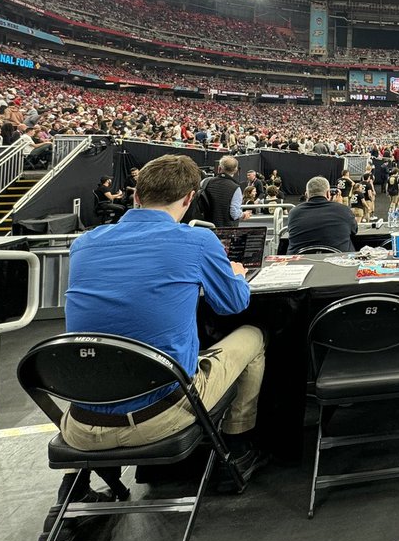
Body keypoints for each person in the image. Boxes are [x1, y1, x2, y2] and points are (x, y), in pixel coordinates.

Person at [60, 154, 266, 488]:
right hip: (161, 414)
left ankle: (74, 486)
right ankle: (238, 449)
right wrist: (237, 275)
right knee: (253, 337)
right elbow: (233, 304)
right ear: (189, 199)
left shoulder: (84, 243)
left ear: (136, 196)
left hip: (80, 424)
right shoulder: (197, 240)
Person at [287, 176, 358, 252]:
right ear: (328, 194)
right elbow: (354, 230)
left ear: (306, 194)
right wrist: (340, 207)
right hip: (337, 261)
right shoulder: (343, 210)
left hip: (300, 262)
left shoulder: (294, 212)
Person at [197, 156, 251, 227]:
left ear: (219, 168)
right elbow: (234, 214)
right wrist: (243, 214)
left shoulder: (205, 182)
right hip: (225, 230)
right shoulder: (236, 188)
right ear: (235, 171)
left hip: (205, 226)